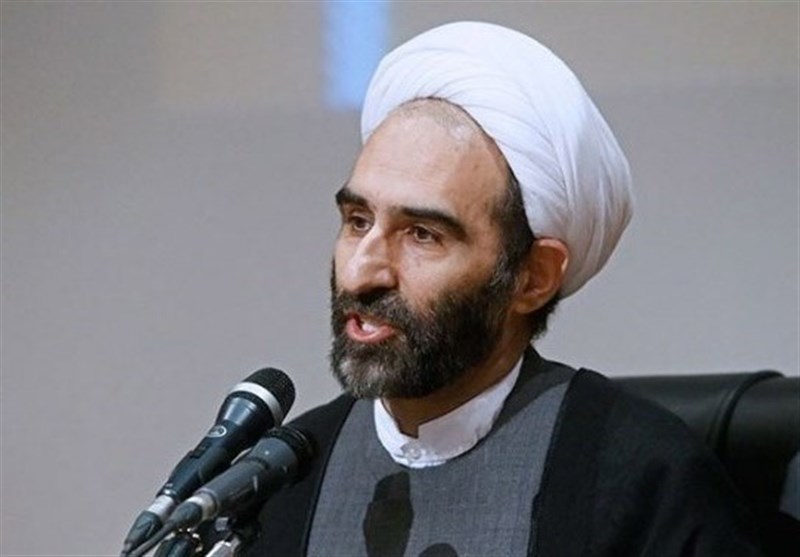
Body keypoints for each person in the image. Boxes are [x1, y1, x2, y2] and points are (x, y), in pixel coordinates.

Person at [238, 21, 763, 556]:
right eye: (357, 221)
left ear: (533, 277)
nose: (361, 273)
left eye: (422, 235)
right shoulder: (283, 481)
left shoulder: (641, 478)